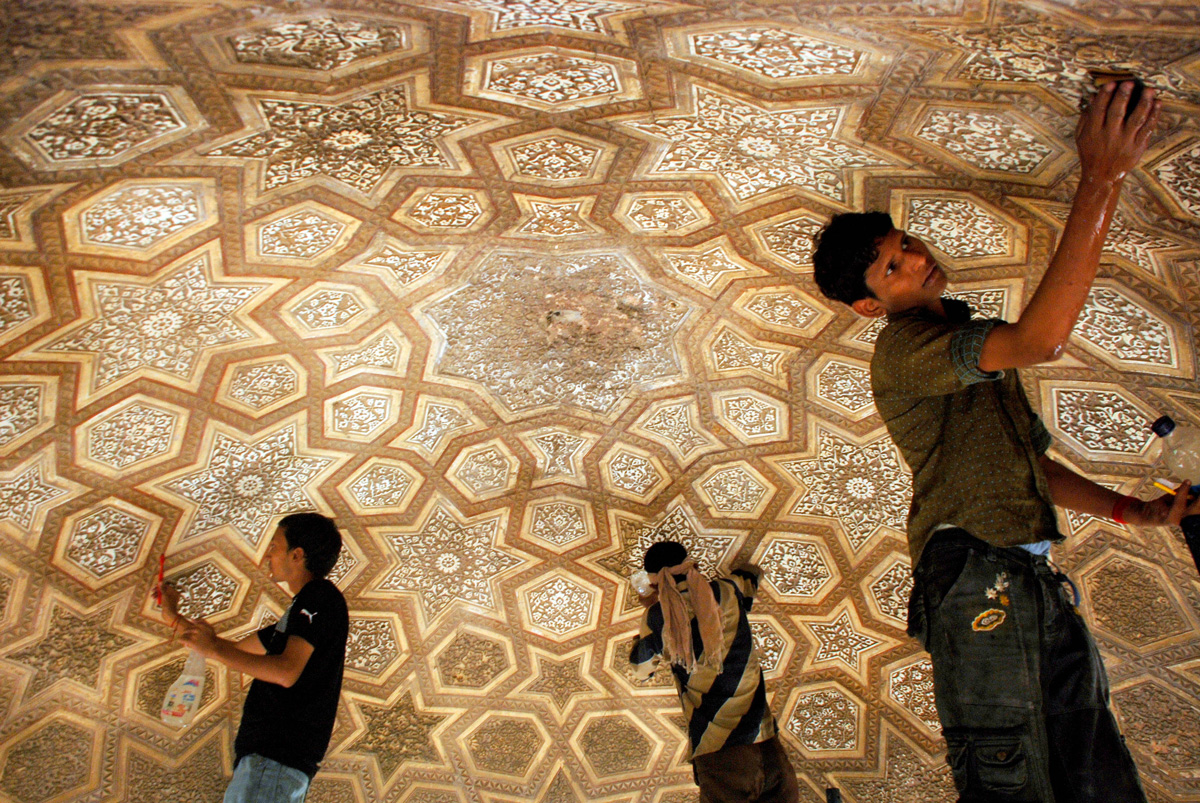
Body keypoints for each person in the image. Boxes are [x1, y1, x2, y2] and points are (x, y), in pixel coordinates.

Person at [811, 81, 1200, 802]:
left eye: (906, 244)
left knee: (1097, 767)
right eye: (892, 267)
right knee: (1009, 774)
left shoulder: (967, 337)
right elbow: (1043, 340)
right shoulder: (902, 350)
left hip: (1027, 572)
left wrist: (1132, 512)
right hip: (972, 573)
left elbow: (1030, 465)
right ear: (869, 305)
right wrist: (1102, 177)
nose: (916, 259)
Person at [156, 512, 349, 803]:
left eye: (274, 546)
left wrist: (213, 649)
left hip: (275, 759)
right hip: (272, 765)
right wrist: (173, 617)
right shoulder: (299, 614)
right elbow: (237, 650)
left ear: (297, 555)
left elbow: (285, 672)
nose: (267, 554)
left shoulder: (320, 596)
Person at [630, 540, 800, 803]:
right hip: (767, 742)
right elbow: (752, 574)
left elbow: (641, 669)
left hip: (720, 755)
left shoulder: (657, 617)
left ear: (653, 582)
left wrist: (655, 607)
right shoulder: (726, 590)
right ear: (690, 565)